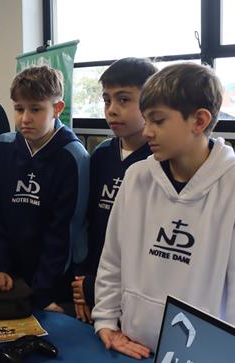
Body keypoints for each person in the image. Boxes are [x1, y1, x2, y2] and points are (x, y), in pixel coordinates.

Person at [92, 63, 235, 359]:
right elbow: (113, 259)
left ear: (199, 121)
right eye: (146, 120)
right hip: (133, 345)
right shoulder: (137, 176)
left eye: (158, 121)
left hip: (202, 354)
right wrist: (105, 320)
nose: (147, 131)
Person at [0, 65, 89, 312]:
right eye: (19, 109)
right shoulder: (2, 147)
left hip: (51, 285)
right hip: (8, 277)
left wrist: (42, 292)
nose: (25, 118)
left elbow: (65, 232)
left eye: (36, 109)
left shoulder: (73, 156)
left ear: (57, 108)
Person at [72, 58, 157, 322]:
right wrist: (84, 284)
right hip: (95, 280)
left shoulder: (157, 160)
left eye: (124, 100)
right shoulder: (102, 154)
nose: (112, 110)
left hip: (137, 289)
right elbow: (88, 223)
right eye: (106, 100)